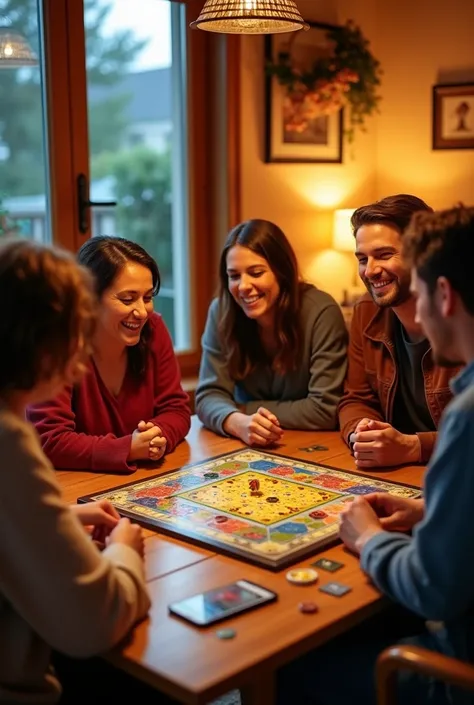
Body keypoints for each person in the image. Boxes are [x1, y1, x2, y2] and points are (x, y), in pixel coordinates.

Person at [277, 204, 474, 705]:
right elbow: (352, 399)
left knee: (288, 661)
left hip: (452, 669)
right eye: (362, 258)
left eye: (425, 298)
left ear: (444, 295)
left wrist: (367, 539)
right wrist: (430, 512)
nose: (418, 317)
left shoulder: (467, 414)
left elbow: (433, 589)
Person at [0, 238, 150, 703]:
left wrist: (61, 519)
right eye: (75, 334)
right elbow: (93, 623)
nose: (81, 354)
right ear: (42, 344)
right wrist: (124, 551)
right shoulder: (9, 440)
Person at [28, 236, 191, 473]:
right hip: (71, 490)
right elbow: (49, 439)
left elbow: (176, 409)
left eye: (147, 298)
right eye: (127, 299)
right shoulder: (55, 343)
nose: (142, 312)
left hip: (136, 484)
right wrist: (129, 448)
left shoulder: (154, 329)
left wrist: (158, 435)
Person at [195, 219, 348, 446]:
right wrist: (237, 422)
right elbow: (208, 396)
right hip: (245, 444)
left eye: (256, 273)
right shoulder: (221, 311)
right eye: (234, 276)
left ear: (282, 272)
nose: (243, 286)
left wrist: (243, 409)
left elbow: (324, 409)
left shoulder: (321, 312)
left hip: (313, 445)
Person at [338, 194, 459, 468]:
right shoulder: (366, 311)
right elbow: (355, 398)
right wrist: (362, 432)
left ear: (423, 254)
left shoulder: (462, 317)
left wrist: (414, 446)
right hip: (396, 473)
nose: (369, 271)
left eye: (384, 255)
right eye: (362, 259)